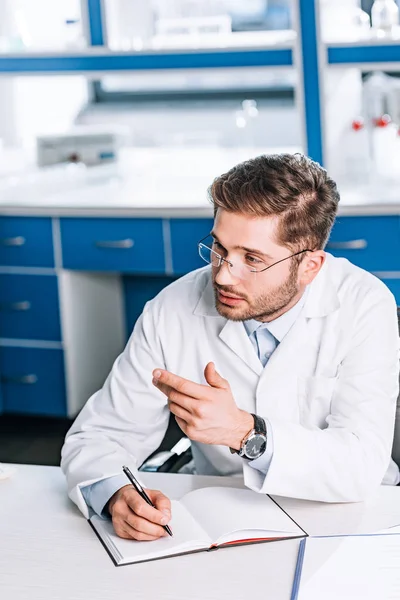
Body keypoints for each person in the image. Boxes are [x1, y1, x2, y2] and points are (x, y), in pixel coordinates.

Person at [61, 153, 400, 542]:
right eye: (220, 248)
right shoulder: (172, 308)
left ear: (310, 266)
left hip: (350, 517)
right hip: (224, 513)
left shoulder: (363, 304)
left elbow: (360, 464)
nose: (222, 274)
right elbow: (101, 435)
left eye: (251, 259)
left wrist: (244, 432)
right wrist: (115, 495)